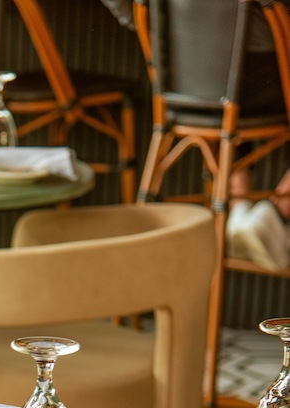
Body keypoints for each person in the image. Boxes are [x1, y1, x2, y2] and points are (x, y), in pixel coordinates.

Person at [100, 0, 290, 271]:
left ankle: (238, 206)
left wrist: (154, 21)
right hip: (261, 75)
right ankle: (276, 211)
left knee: (222, 67)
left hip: (184, 76)